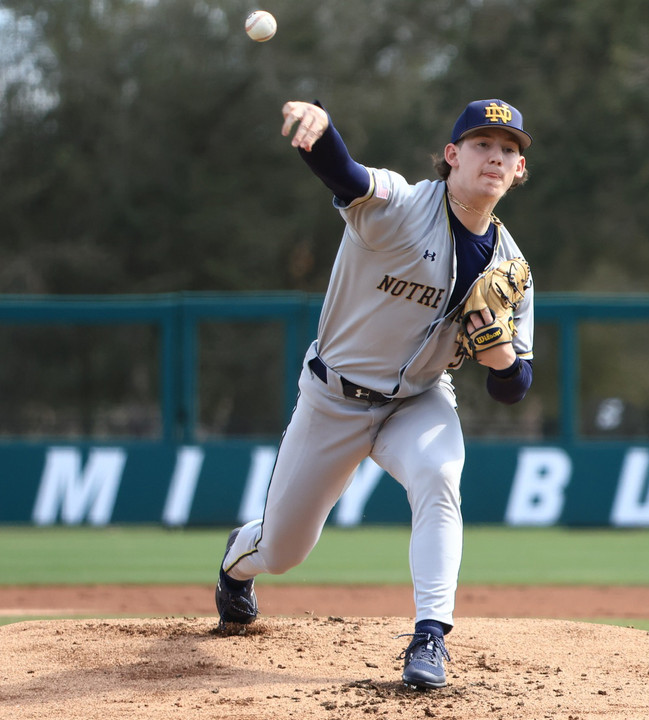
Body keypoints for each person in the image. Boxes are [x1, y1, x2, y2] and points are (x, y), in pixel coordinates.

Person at [215, 97, 536, 690]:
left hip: (417, 399)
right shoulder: (402, 204)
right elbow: (346, 175)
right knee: (283, 551)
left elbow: (513, 388)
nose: (496, 157)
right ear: (452, 156)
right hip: (332, 399)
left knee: (440, 476)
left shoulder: (512, 268)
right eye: (482, 144)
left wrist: (497, 351)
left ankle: (431, 637)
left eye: (509, 150)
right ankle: (239, 560)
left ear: (519, 171)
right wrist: (320, 131)